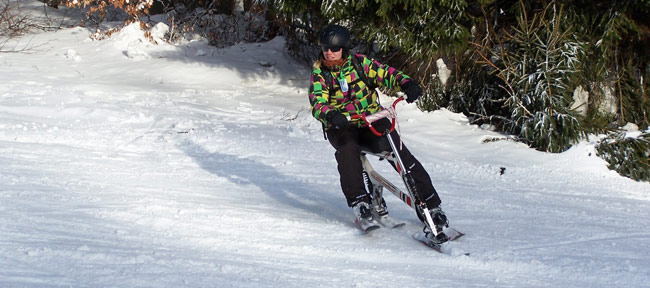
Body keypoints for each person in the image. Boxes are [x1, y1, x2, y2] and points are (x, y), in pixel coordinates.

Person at [308, 24, 449, 241]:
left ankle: (431, 205)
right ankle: (360, 202)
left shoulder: (360, 63)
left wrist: (406, 83)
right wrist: (330, 115)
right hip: (342, 126)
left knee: (399, 151)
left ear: (344, 49)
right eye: (326, 48)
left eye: (334, 49)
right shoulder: (320, 74)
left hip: (370, 121)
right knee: (348, 150)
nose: (329, 52)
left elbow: (386, 73)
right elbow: (317, 102)